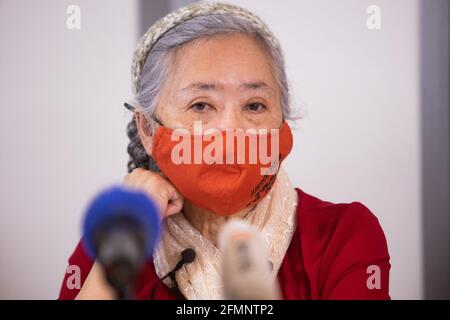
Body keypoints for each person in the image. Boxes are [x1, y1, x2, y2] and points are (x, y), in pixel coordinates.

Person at [58, 2, 390, 300]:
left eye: (255, 105)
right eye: (201, 105)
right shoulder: (112, 239)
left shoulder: (343, 234)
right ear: (148, 128)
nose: (231, 130)